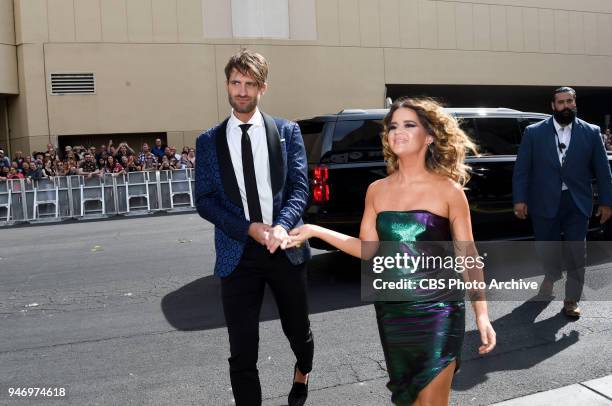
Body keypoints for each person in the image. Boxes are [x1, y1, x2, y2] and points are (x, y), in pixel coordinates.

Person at [286, 98, 496, 406]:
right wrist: (315, 230)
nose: (398, 131)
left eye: (409, 125)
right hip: (393, 314)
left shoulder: (448, 191)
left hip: (439, 311)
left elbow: (469, 257)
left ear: (430, 136)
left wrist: (482, 315)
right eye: (393, 126)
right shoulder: (377, 190)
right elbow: (367, 250)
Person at [194, 49, 313, 406]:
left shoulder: (287, 132)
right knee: (242, 350)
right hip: (237, 253)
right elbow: (206, 199)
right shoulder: (208, 142)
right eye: (235, 83)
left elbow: (299, 188)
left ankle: (303, 370)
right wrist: (249, 229)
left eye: (250, 84)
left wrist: (280, 226)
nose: (242, 91)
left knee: (298, 334)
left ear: (262, 87)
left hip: (285, 247)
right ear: (227, 85)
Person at [513, 86, 612, 318]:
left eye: (570, 101)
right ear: (553, 106)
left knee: (577, 251)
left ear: (575, 104)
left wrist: (606, 202)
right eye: (561, 102)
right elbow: (522, 170)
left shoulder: (591, 131)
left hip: (576, 202)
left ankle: (571, 300)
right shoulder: (534, 132)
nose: (566, 106)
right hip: (543, 201)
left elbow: (603, 170)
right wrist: (520, 199)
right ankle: (551, 276)